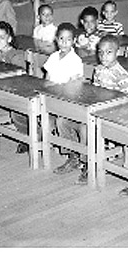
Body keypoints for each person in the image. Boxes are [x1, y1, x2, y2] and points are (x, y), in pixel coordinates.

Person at [67, 35, 128, 185]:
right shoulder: (98, 69)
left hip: (114, 112)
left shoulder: (120, 73)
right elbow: (95, 91)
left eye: (109, 52)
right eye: (101, 52)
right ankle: (81, 158)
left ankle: (90, 165)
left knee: (86, 129)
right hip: (99, 108)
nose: (104, 56)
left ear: (118, 52)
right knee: (71, 120)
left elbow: (127, 97)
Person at [44, 23, 87, 182]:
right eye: (61, 39)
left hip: (69, 100)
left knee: (62, 121)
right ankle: (72, 156)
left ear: (74, 41)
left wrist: (59, 88)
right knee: (57, 120)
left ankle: (82, 160)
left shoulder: (76, 60)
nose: (64, 42)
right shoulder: (53, 57)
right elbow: (47, 80)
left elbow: (74, 85)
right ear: (56, 40)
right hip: (54, 96)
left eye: (68, 40)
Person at [0, 21, 30, 153]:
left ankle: (27, 137)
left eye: (1, 37)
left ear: (10, 39)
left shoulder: (15, 56)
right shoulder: (0, 53)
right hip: (5, 88)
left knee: (16, 112)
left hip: (19, 91)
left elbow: (21, 78)